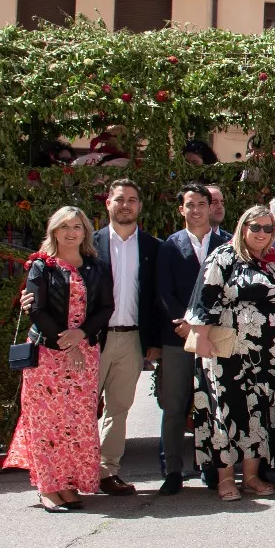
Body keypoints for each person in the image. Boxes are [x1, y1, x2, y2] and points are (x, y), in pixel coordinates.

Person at [186, 205, 275, 501]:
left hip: (269, 352)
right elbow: (203, 299)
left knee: (259, 410)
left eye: (268, 228)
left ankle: (251, 476)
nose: (263, 233)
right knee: (227, 409)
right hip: (228, 349)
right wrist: (201, 338)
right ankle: (225, 478)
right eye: (256, 227)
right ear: (243, 227)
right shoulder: (224, 256)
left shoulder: (272, 262)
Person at [7, 206, 115, 512]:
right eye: (65, 226)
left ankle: (68, 484)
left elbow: (106, 307)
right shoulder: (41, 266)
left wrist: (81, 334)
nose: (71, 232)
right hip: (48, 355)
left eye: (77, 226)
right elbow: (36, 309)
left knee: (76, 422)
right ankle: (48, 487)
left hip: (85, 353)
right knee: (47, 423)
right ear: (54, 231)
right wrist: (67, 344)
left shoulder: (96, 266)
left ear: (85, 232)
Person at [154, 183, 228, 496]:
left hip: (215, 336)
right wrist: (186, 324)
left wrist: (205, 327)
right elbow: (163, 291)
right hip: (178, 336)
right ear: (181, 209)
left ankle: (211, 465)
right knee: (174, 405)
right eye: (190, 204)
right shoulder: (170, 245)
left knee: (213, 403)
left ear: (211, 208)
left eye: (201, 204)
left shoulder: (227, 243)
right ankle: (173, 469)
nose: (196, 210)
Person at [90, 179, 161, 496]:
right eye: (119, 199)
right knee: (81, 407)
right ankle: (75, 470)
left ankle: (107, 471)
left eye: (132, 200)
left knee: (118, 408)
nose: (126, 205)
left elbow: (155, 299)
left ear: (139, 206)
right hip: (93, 339)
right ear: (108, 203)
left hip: (132, 339)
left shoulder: (152, 247)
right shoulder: (89, 244)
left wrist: (153, 341)